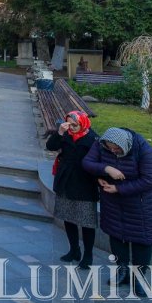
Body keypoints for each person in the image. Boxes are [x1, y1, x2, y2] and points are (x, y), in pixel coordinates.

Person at [82, 126, 152, 296]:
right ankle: (122, 272)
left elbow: (151, 178)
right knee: (117, 237)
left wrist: (120, 189)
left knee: (141, 241)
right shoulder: (101, 144)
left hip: (140, 204)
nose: (113, 151)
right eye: (110, 148)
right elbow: (87, 163)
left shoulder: (142, 149)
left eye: (117, 148)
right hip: (113, 203)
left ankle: (138, 279)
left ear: (125, 144)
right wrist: (106, 170)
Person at [46, 110, 100, 270]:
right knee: (67, 216)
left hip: (85, 183)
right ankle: (74, 250)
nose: (72, 127)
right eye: (69, 123)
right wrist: (59, 132)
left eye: (75, 124)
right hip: (66, 181)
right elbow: (50, 146)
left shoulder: (93, 139)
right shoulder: (65, 134)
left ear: (83, 123)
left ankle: (88, 254)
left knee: (87, 221)